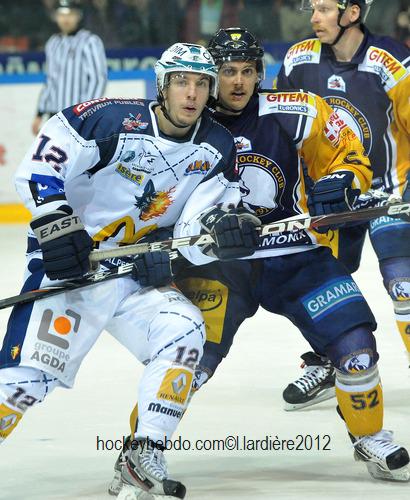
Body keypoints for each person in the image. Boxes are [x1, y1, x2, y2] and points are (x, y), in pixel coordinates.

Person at [109, 28, 409, 498]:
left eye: (248, 71)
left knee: (356, 346)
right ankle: (139, 452)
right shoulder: (185, 125)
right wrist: (154, 243)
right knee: (188, 359)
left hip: (295, 253)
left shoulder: (296, 109)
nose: (238, 82)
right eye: (227, 71)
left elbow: (348, 153)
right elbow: (146, 198)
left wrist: (344, 180)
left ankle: (368, 437)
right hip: (215, 265)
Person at [0, 42, 260, 498]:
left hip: (133, 275)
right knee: (23, 386)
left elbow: (197, 233)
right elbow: (41, 165)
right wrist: (58, 223)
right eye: (182, 81)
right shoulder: (109, 118)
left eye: (202, 83)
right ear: (162, 85)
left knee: (183, 332)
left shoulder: (216, 145)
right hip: (74, 272)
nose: (193, 93)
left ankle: (144, 452)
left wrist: (218, 235)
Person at [275, 0, 410, 411]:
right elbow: (280, 128)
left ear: (351, 13)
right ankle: (329, 362)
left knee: (403, 285)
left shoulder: (391, 61)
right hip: (330, 196)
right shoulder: (298, 60)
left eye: (324, 9)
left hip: (386, 195)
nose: (314, 17)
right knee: (323, 288)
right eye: (312, 8)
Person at [32, 0, 107, 135]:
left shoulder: (90, 41)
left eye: (70, 14)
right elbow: (50, 80)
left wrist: (86, 111)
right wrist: (40, 112)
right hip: (54, 115)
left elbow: (98, 79)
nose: (66, 19)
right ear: (55, 17)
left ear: (78, 16)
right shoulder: (53, 43)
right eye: (61, 14)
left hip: (79, 115)